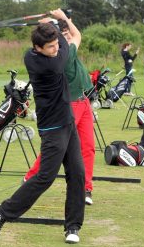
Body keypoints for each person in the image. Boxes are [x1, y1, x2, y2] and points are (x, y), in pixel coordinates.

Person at [0, 9, 85, 244]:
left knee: (78, 174)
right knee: (44, 177)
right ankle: (1, 213)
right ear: (38, 48)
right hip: (53, 128)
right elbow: (73, 37)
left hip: (67, 122)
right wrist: (59, 20)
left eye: (55, 45)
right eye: (50, 46)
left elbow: (72, 37)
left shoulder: (34, 54)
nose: (56, 49)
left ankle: (72, 227)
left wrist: (54, 24)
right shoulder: (50, 65)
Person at [23, 18, 95, 206]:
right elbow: (77, 35)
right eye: (62, 35)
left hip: (83, 101)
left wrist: (59, 22)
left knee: (87, 147)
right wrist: (60, 19)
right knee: (54, 151)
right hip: (68, 105)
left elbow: (74, 34)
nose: (66, 37)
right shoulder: (60, 55)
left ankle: (86, 188)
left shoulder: (60, 48)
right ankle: (30, 179)